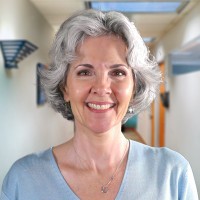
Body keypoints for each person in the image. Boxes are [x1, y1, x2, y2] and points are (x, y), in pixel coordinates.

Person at [0, 9, 198, 200]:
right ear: (64, 87)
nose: (102, 88)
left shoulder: (173, 175)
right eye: (85, 72)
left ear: (134, 87)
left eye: (118, 72)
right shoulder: (22, 180)